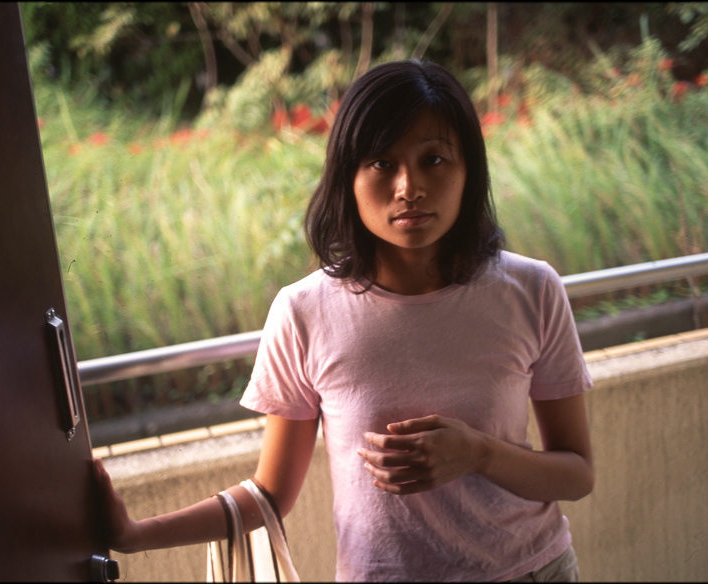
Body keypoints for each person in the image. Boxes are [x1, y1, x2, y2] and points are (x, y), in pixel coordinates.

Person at [94, 59, 594, 582]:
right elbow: (269, 494)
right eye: (381, 163)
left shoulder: (531, 290)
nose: (409, 187)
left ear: (469, 171)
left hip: (532, 571)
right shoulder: (304, 311)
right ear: (347, 179)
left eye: (434, 159)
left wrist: (479, 453)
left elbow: (577, 473)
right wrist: (135, 534)